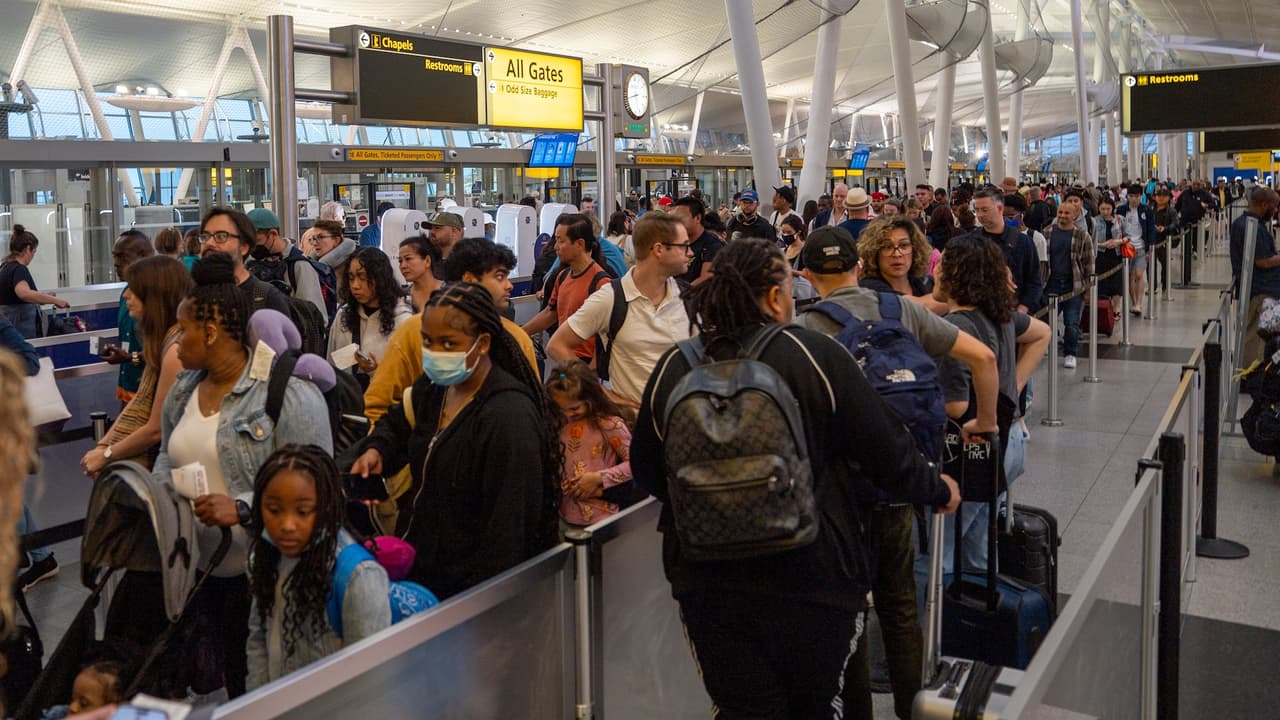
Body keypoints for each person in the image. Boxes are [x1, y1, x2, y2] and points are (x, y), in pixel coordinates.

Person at [630, 238, 960, 719]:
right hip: (813, 572)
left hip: (708, 581)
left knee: (745, 708)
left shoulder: (675, 366)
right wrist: (937, 489)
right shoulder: (813, 355)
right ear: (772, 296)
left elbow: (648, 470)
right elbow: (886, 451)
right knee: (815, 705)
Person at [796, 225, 998, 718]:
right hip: (900, 478)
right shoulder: (902, 310)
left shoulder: (806, 329)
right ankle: (912, 708)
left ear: (805, 275)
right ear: (859, 267)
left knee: (851, 611)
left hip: (840, 492)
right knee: (901, 605)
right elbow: (983, 357)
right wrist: (983, 423)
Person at [147, 252, 332, 698]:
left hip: (267, 577)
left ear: (210, 332)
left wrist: (245, 507)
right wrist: (158, 498)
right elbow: (167, 457)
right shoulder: (183, 392)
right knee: (229, 679)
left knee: (265, 685)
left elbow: (320, 489)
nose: (176, 343)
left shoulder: (286, 396)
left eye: (184, 330)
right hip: (196, 573)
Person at [348, 283, 561, 597]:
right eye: (428, 342)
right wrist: (378, 448)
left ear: (483, 343)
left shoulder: (508, 417)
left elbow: (510, 527)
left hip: (472, 592)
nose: (435, 353)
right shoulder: (435, 389)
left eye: (448, 343)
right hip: (423, 574)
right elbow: (397, 424)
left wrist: (485, 604)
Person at [923, 234, 1050, 589]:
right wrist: (1013, 387)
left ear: (957, 273)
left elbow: (955, 406)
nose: (935, 272)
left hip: (968, 453)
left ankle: (937, 633)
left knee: (939, 554)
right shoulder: (1001, 314)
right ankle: (980, 628)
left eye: (941, 266)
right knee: (979, 551)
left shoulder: (955, 330)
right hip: (1007, 444)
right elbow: (1042, 333)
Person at [245, 445, 390, 690]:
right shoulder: (262, 559)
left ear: (325, 507)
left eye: (303, 511)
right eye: (274, 510)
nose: (287, 525)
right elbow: (258, 636)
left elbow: (369, 682)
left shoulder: (358, 577)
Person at [364, 237, 537, 425]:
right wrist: (383, 447)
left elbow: (533, 403)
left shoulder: (516, 339)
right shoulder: (413, 330)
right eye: (499, 276)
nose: (509, 285)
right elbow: (378, 404)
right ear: (470, 280)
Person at [546, 212, 692, 409]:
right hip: (634, 427)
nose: (690, 252)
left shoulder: (687, 298)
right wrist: (600, 391)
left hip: (681, 423)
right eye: (683, 246)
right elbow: (557, 345)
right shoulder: (612, 298)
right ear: (659, 249)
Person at [80, 256, 191, 477]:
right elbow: (138, 403)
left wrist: (107, 454)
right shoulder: (160, 344)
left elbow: (155, 429)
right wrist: (103, 446)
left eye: (134, 289)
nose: (127, 295)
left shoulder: (175, 351)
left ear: (155, 296)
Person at [546, 362, 634, 526]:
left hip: (602, 517)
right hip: (565, 515)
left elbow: (635, 463)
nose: (567, 414)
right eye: (561, 409)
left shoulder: (609, 425)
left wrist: (598, 478)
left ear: (591, 399)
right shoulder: (557, 423)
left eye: (574, 409)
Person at [522, 214, 613, 361]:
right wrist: (519, 333)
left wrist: (590, 373)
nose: (556, 247)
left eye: (560, 241)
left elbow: (608, 334)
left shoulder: (601, 283)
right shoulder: (562, 276)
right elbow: (551, 313)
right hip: (564, 359)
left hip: (586, 365)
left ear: (580, 244)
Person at [327, 247, 414, 388]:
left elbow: (410, 378)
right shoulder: (344, 314)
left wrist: (375, 371)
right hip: (346, 401)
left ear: (380, 278)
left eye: (362, 277)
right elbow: (331, 363)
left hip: (385, 402)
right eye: (351, 278)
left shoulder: (404, 320)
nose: (355, 285)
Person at [197, 208, 292, 318]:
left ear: (244, 247)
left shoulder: (266, 299)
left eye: (221, 236)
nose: (209, 243)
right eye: (205, 236)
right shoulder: (193, 296)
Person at [99, 230, 156, 404]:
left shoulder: (157, 296)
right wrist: (117, 351)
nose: (116, 263)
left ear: (144, 256)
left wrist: (130, 358)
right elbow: (131, 338)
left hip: (152, 391)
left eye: (123, 257)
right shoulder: (126, 293)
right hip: (127, 388)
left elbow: (164, 351)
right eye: (115, 257)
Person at [967, 188, 1043, 314]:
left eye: (985, 210)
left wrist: (1022, 310)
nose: (980, 215)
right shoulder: (971, 241)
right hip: (978, 314)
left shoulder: (1023, 242)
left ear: (1000, 209)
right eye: (977, 210)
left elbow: (1034, 281)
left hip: (1013, 313)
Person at [1229, 186, 1280, 368]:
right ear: (1264, 204)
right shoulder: (1252, 228)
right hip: (1259, 291)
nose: (1275, 211)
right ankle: (1250, 375)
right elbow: (1263, 261)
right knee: (1255, 336)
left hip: (1256, 288)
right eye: (1274, 207)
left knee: (1254, 334)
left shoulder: (1246, 223)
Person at [246, 208, 328, 319]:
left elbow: (316, 316)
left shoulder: (299, 265)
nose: (252, 247)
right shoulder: (249, 263)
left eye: (256, 241)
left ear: (273, 234)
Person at [1045, 203, 1095, 369]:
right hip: (1051, 283)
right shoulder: (1047, 232)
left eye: (1067, 213)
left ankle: (1070, 353)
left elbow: (1089, 263)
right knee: (1045, 319)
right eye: (1060, 212)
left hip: (1074, 284)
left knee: (1072, 322)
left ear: (1074, 215)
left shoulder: (1082, 235)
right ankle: (1045, 346)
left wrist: (1088, 289)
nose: (1063, 215)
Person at [0, 224, 69, 337]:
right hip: (20, 334)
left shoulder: (5, 266)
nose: (33, 256)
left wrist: (42, 297)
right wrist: (55, 300)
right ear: (28, 249)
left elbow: (16, 295)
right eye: (34, 252)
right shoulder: (19, 269)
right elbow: (24, 293)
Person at [858, 215, 935, 298]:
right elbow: (907, 306)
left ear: (915, 248)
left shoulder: (925, 283)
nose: (897, 254)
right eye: (887, 247)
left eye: (904, 245)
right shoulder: (868, 289)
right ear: (874, 252)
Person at [1116, 183, 1156, 316]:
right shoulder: (1121, 210)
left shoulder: (1147, 210)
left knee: (1139, 275)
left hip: (1141, 247)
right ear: (1127, 196)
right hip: (1127, 248)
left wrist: (1150, 248)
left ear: (1141, 196)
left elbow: (1151, 229)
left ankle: (1139, 303)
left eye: (1136, 196)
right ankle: (1134, 303)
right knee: (1130, 276)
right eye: (1131, 196)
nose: (1133, 199)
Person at [668, 195, 722, 285]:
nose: (676, 223)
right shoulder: (674, 242)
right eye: (674, 219)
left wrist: (678, 295)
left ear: (697, 218)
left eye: (680, 218)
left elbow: (706, 278)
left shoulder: (712, 244)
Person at [1093, 197, 1126, 313]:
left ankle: (1116, 308)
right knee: (1102, 284)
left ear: (1113, 208)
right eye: (1102, 209)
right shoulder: (1094, 221)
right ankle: (1104, 310)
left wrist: (1118, 241)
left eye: (1108, 209)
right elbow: (1089, 240)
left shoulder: (1120, 220)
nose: (1105, 211)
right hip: (1100, 256)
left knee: (1117, 284)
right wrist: (1102, 245)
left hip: (1116, 255)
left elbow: (1128, 236)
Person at [307, 219, 357, 294]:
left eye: (321, 237)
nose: (314, 243)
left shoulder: (351, 266)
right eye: (313, 238)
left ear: (336, 240)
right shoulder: (312, 266)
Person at [397, 234, 444, 313]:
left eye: (408, 259)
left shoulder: (449, 292)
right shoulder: (401, 297)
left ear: (427, 261)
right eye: (400, 261)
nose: (403, 266)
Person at [1151, 186, 1179, 290]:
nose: (1161, 198)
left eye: (1164, 196)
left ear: (1168, 198)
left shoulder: (1171, 211)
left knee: (1165, 264)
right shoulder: (1150, 209)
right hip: (1152, 241)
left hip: (1164, 240)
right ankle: (1152, 286)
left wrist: (1165, 228)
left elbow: (1175, 223)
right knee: (1151, 265)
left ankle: (1165, 286)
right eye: (1159, 196)